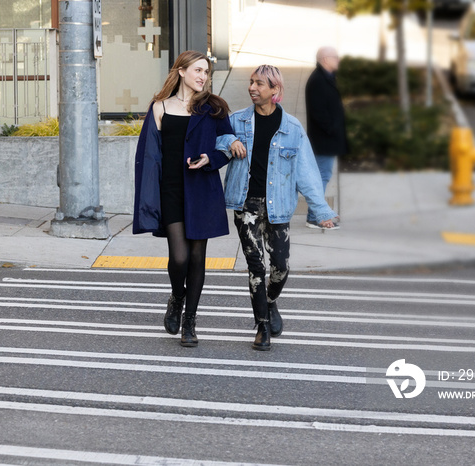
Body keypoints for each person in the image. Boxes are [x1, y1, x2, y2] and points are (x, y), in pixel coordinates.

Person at [216, 65, 338, 351]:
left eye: (259, 83)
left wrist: (321, 211)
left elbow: (306, 172)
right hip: (246, 205)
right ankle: (261, 326)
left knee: (280, 267)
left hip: (278, 207)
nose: (252, 88)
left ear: (275, 90)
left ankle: (270, 304)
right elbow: (215, 140)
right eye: (251, 82)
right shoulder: (237, 121)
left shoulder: (292, 128)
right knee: (256, 267)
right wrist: (229, 140)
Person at [133, 50, 234, 348]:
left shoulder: (214, 108)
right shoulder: (160, 107)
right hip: (172, 190)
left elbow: (226, 145)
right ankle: (177, 296)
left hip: (202, 189)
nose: (203, 76)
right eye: (198, 70)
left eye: (206, 72)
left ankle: (190, 321)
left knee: (197, 258)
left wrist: (210, 159)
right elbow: (150, 156)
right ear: (181, 71)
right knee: (179, 258)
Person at [304, 46, 349, 230]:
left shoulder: (327, 78)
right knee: (320, 177)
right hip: (323, 140)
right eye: (335, 57)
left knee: (321, 176)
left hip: (327, 139)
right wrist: (333, 129)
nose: (338, 59)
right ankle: (315, 216)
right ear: (325, 59)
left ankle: (315, 214)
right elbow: (318, 112)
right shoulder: (318, 81)